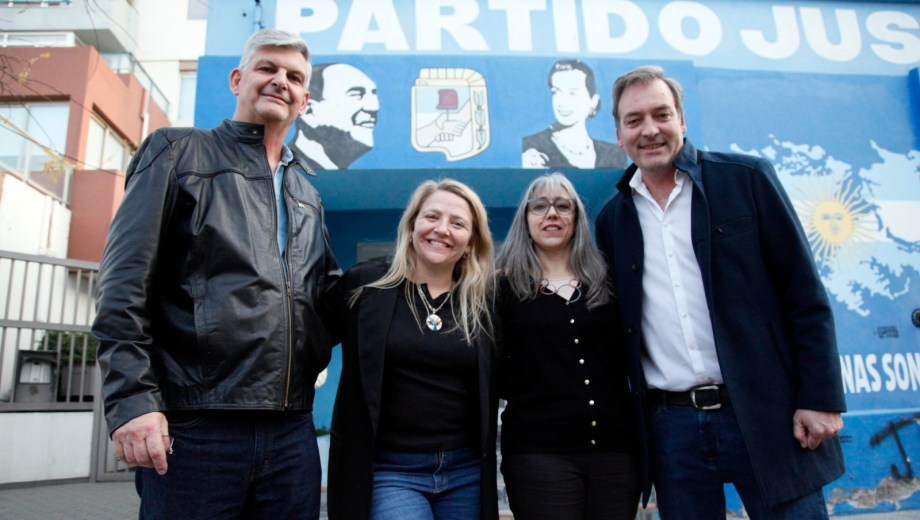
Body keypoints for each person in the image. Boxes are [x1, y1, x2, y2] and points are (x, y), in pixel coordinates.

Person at [92, 29, 341, 520]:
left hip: (292, 433)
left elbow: (325, 298)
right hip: (196, 428)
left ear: (305, 100)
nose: (280, 82)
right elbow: (121, 288)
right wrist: (134, 401)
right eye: (267, 68)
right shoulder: (177, 152)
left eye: (294, 77)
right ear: (237, 79)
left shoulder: (306, 193)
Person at [595, 65, 846, 519]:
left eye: (661, 114)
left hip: (768, 412)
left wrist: (821, 398)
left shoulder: (745, 179)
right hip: (673, 428)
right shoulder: (613, 219)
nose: (649, 130)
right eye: (634, 120)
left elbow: (804, 295)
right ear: (619, 133)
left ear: (682, 121)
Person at [325, 179, 499, 520]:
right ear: (413, 225)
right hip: (391, 471)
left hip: (466, 472)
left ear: (470, 243)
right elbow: (305, 341)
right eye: (432, 216)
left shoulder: (485, 303)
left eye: (458, 223)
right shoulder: (366, 286)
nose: (442, 229)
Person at [495, 173, 640, 519]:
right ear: (525, 219)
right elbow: (492, 366)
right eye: (539, 206)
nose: (552, 214)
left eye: (563, 206)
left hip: (616, 452)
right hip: (537, 453)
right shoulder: (500, 290)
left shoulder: (609, 283)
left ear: (576, 218)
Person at [522, 59, 625, 170]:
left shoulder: (613, 154)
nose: (563, 101)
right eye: (556, 92)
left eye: (573, 93)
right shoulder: (532, 147)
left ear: (593, 101)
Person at [290, 62, 379, 170]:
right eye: (356, 94)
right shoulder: (287, 173)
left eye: (373, 94)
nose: (374, 107)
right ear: (309, 111)